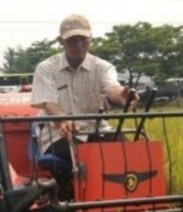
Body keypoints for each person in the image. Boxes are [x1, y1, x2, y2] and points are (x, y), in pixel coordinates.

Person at [30, 14, 134, 199]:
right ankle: (82, 200)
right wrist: (65, 121)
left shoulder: (102, 67)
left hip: (97, 129)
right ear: (61, 41)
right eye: (72, 39)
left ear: (90, 39)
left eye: (82, 39)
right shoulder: (46, 68)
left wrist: (122, 96)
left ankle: (128, 200)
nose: (78, 44)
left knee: (127, 152)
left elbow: (111, 87)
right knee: (85, 157)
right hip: (58, 134)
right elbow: (49, 102)